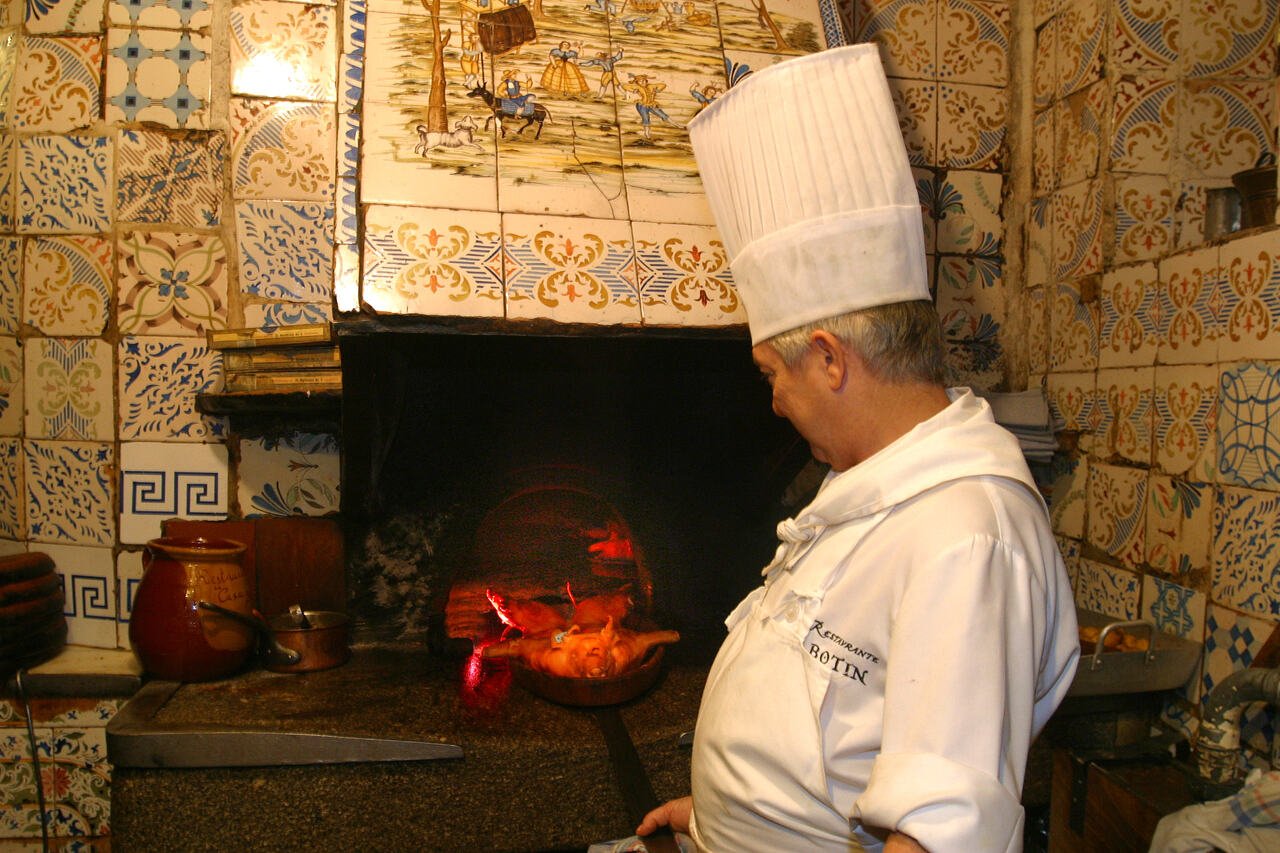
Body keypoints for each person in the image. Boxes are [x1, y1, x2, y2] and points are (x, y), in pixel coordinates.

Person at [636, 44, 1080, 852]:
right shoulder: (874, 492)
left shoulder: (966, 534)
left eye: (773, 371)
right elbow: (829, 735)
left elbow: (939, 838)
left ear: (832, 359)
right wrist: (720, 816)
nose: (772, 401)